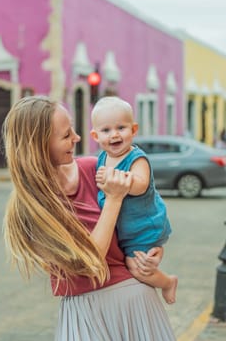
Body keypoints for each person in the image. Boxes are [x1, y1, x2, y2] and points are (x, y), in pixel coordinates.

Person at [2, 95, 175, 340]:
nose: (77, 137)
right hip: (85, 315)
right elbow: (88, 262)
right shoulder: (28, 208)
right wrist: (113, 199)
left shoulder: (97, 169)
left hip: (135, 301)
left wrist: (152, 248)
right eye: (65, 135)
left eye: (72, 129)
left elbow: (144, 210)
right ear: (40, 145)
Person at [90, 96, 178, 304]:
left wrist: (121, 180)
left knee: (136, 267)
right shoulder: (102, 158)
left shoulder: (136, 158)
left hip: (144, 227)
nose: (115, 135)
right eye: (106, 130)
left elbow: (140, 185)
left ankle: (167, 282)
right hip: (127, 229)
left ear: (134, 129)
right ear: (95, 135)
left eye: (121, 127)